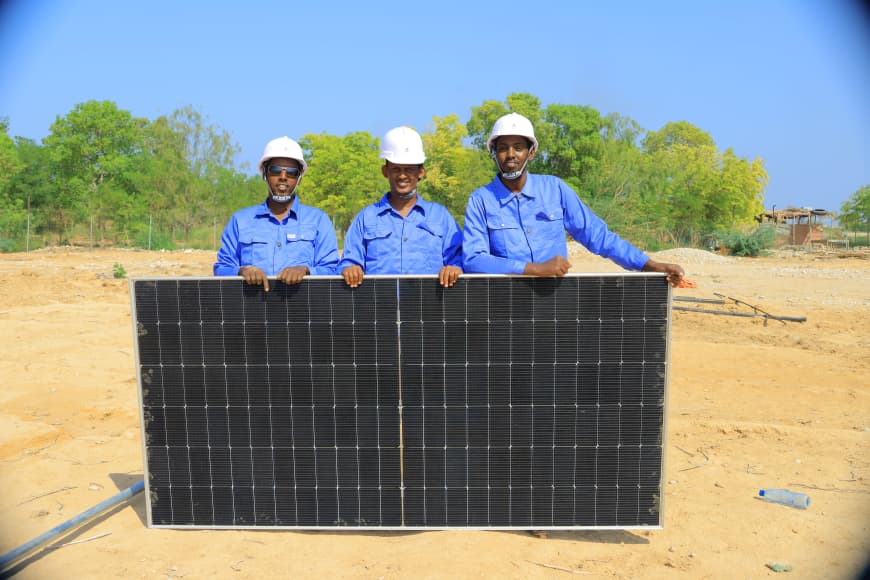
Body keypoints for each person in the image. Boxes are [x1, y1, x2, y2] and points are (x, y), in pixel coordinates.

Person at [462, 112, 685, 285]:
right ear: (493, 153)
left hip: (556, 303)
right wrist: (535, 269)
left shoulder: (555, 190)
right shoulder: (481, 201)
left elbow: (597, 235)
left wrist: (648, 265)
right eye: (503, 148)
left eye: (518, 147)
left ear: (531, 153)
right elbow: (473, 260)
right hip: (505, 306)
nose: (511, 154)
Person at [339, 126, 462, 288]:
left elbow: (458, 259)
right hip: (379, 303)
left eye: (409, 169)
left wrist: (455, 268)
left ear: (421, 172)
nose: (402, 175)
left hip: (429, 303)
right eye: (396, 169)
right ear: (385, 171)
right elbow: (349, 261)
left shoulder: (440, 216)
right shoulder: (366, 218)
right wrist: (350, 269)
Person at [214, 136, 339, 291]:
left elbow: (332, 269)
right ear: (264, 174)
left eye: (291, 172)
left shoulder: (319, 220)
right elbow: (222, 268)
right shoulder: (240, 221)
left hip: (303, 306)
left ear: (299, 178)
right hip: (253, 305)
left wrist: (305, 270)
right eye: (275, 170)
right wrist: (242, 270)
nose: (283, 177)